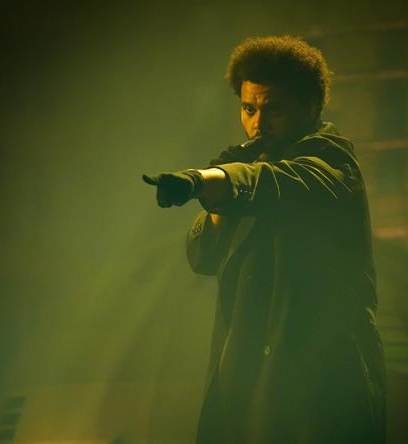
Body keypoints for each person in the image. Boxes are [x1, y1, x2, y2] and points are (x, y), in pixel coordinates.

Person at [143, 35, 386, 443]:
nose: (257, 124)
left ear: (310, 107)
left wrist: (208, 180)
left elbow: (277, 183)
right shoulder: (254, 169)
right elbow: (202, 256)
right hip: (249, 398)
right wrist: (217, 195)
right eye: (248, 109)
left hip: (319, 404)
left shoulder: (332, 161)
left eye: (273, 110)